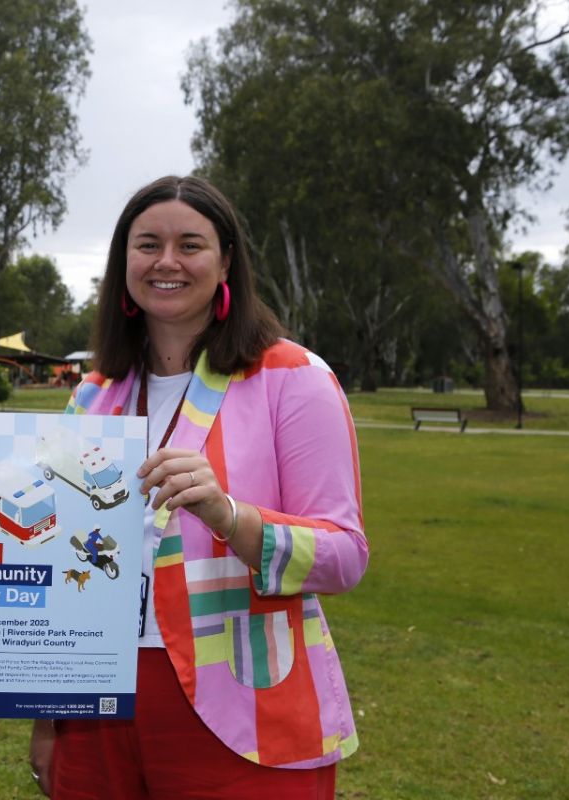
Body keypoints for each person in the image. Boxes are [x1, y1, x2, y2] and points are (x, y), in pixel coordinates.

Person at [28, 176, 368, 799]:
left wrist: (229, 514)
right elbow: (62, 559)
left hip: (245, 706)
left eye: (190, 244)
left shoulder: (293, 378)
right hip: (97, 705)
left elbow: (345, 556)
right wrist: (49, 719)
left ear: (226, 260)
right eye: (147, 244)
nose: (167, 262)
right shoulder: (95, 393)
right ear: (123, 262)